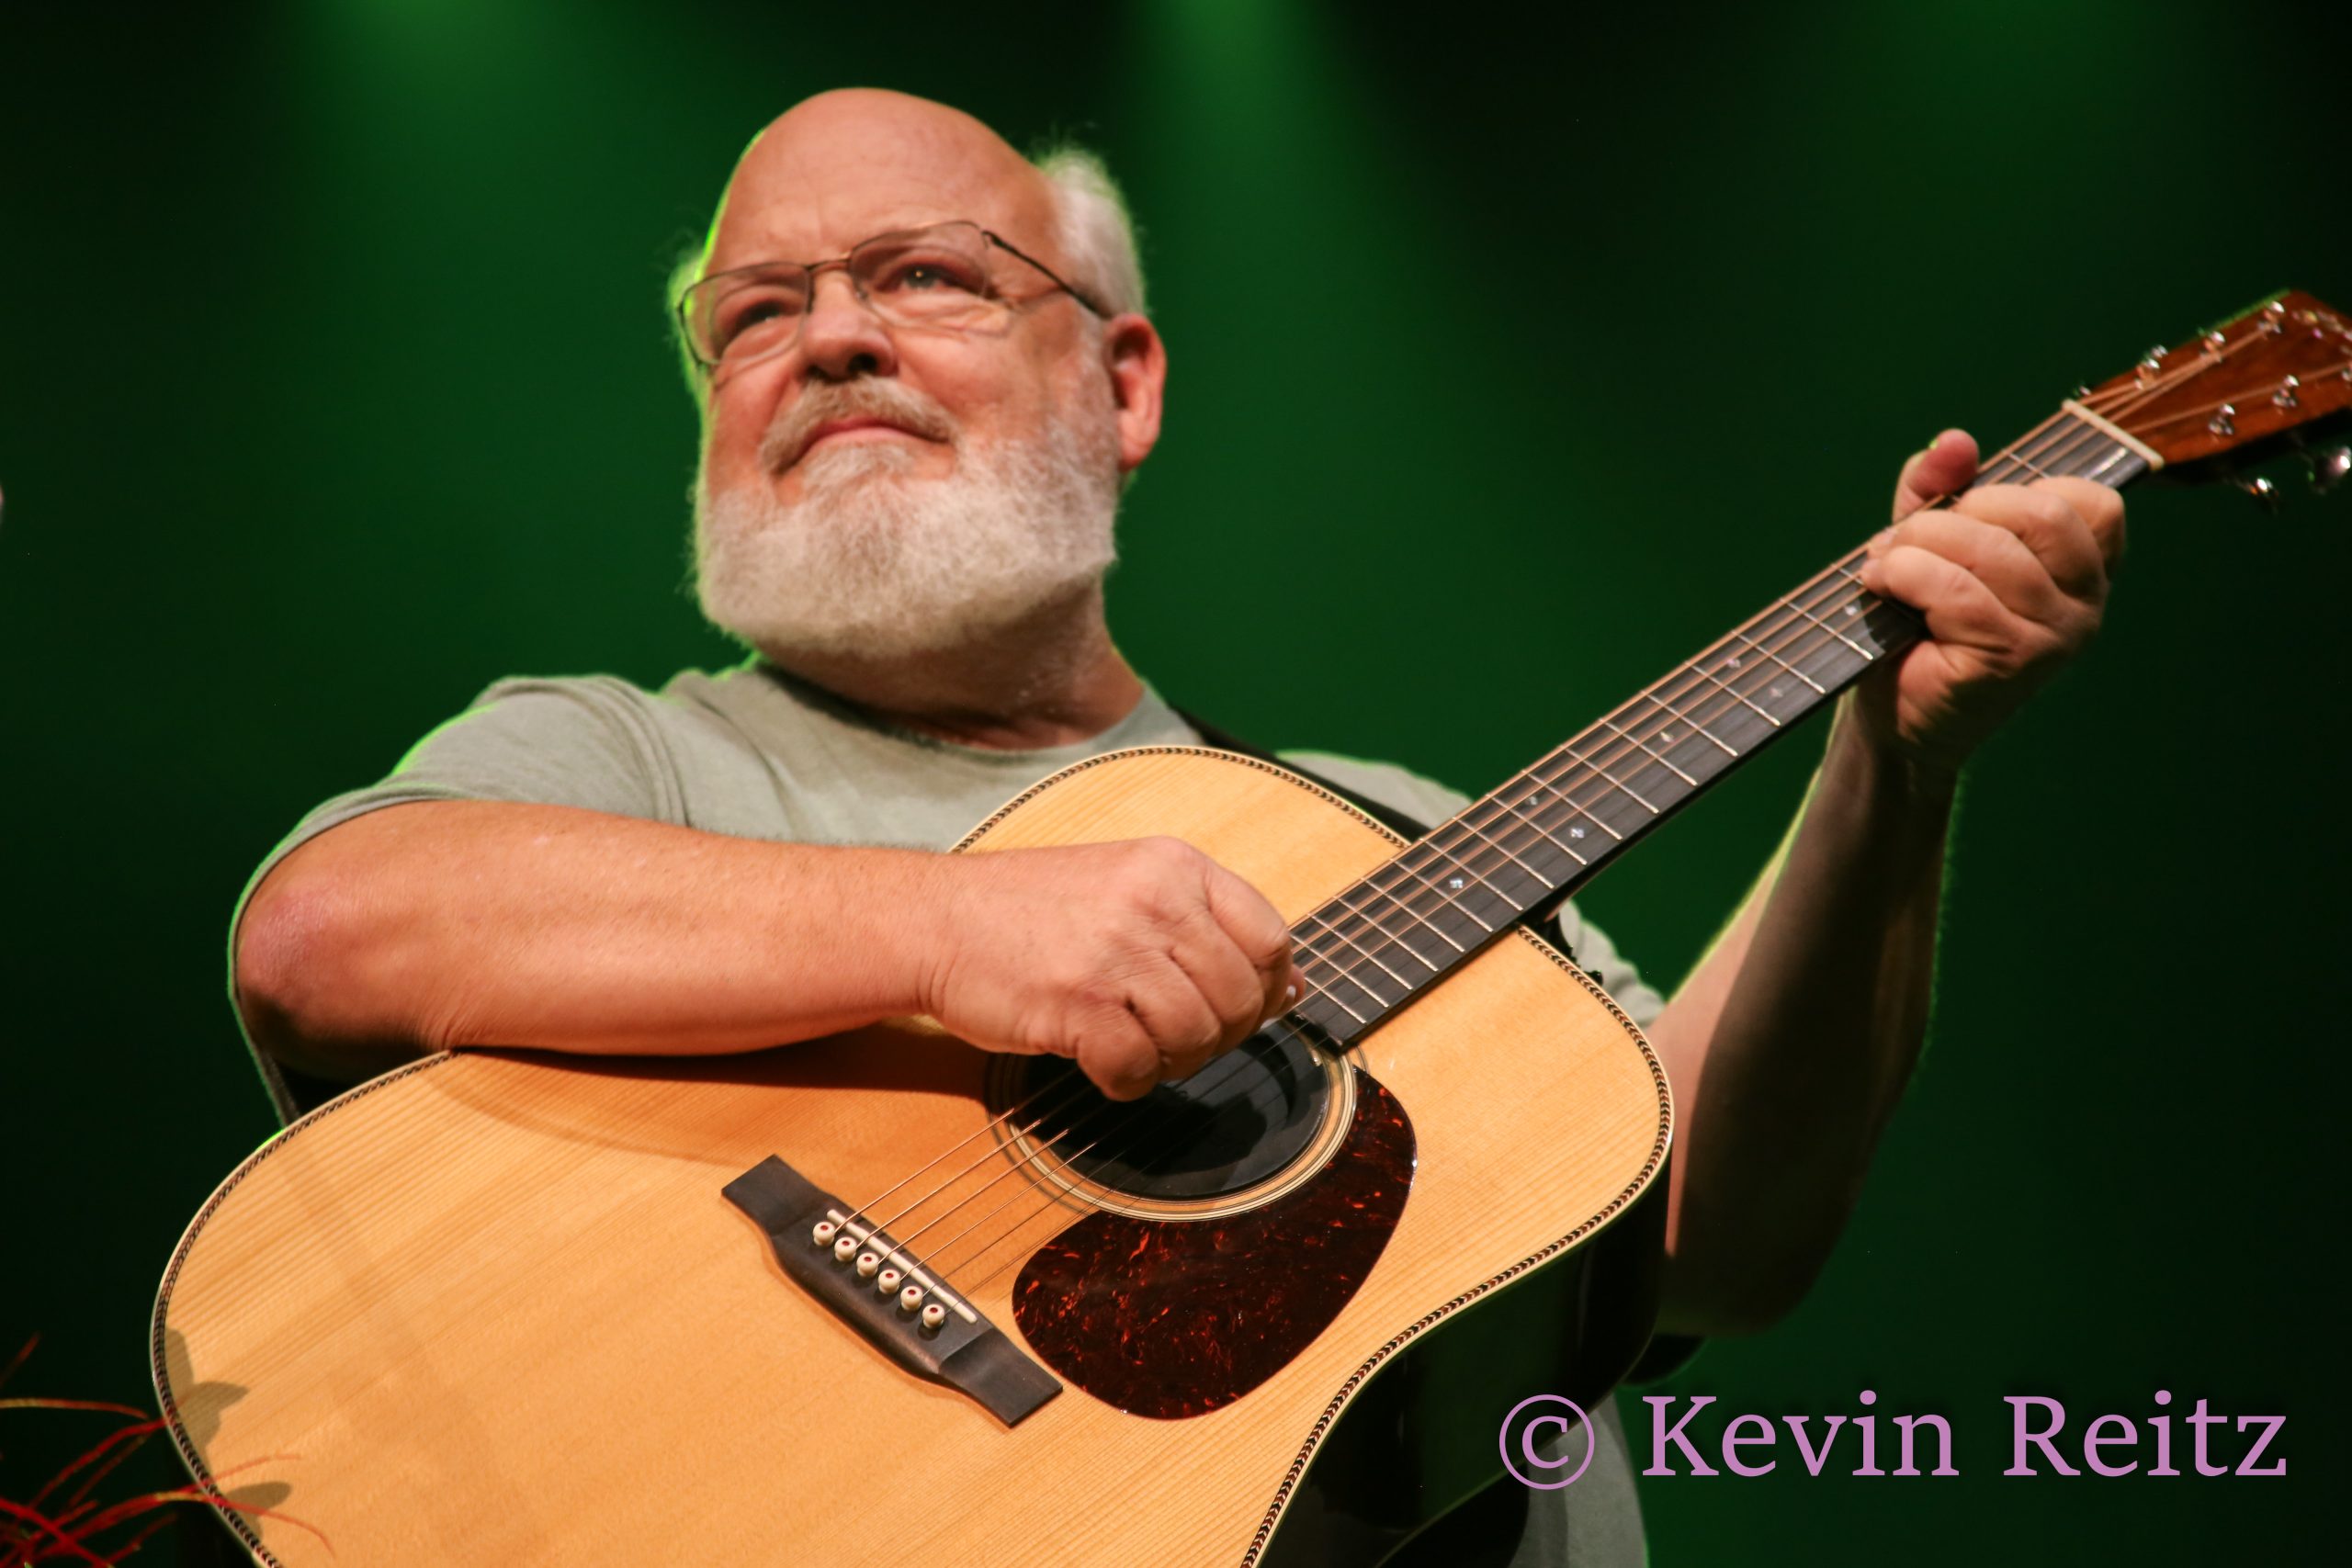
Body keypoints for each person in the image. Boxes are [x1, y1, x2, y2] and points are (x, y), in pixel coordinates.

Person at [228, 89, 2124, 1565]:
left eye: (929, 276)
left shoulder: (1394, 833)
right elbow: (322, 934)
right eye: (753, 314)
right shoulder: (617, 757)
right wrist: (953, 934)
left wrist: (1893, 768)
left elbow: (1710, 1233)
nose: (829, 340)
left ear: (1120, 381)